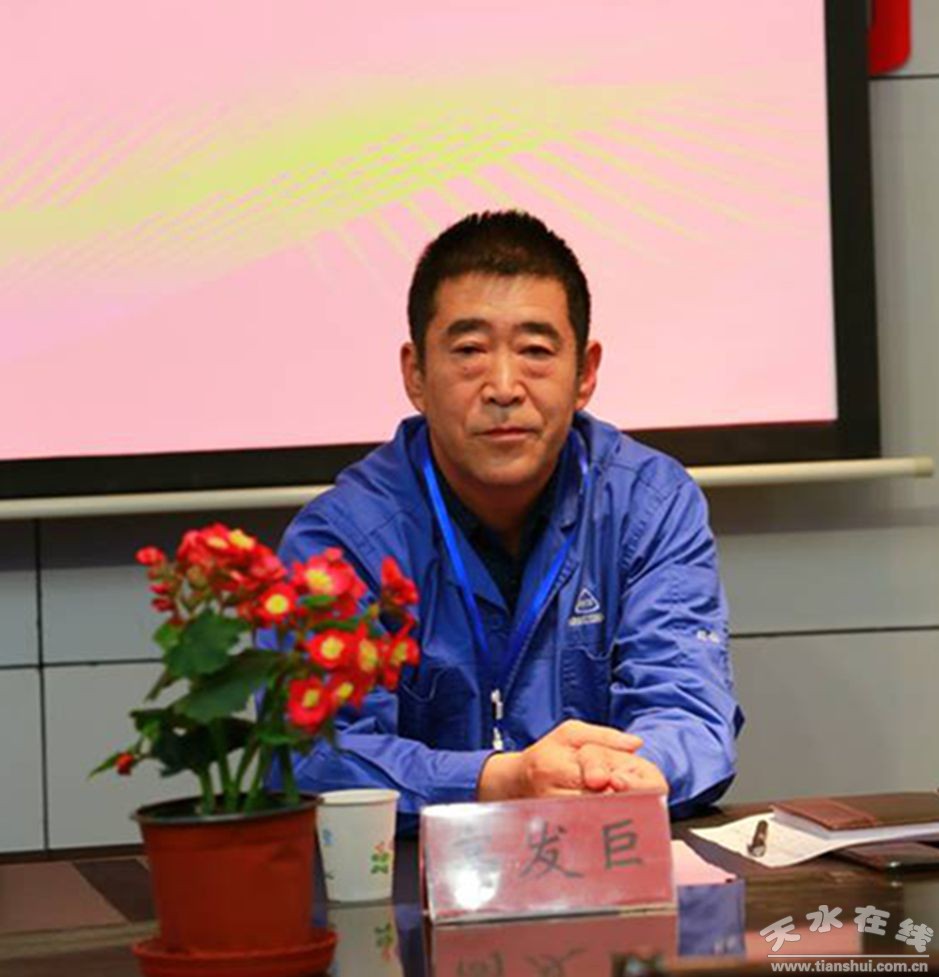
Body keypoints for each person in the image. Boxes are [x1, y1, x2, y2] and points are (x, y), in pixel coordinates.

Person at [266, 210, 742, 831]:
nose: (504, 386)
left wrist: (624, 774)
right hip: (413, 881)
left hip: (605, 856)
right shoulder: (342, 542)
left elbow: (689, 710)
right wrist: (498, 782)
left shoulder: (649, 505)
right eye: (469, 351)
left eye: (535, 351)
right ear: (415, 374)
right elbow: (314, 756)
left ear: (585, 373)